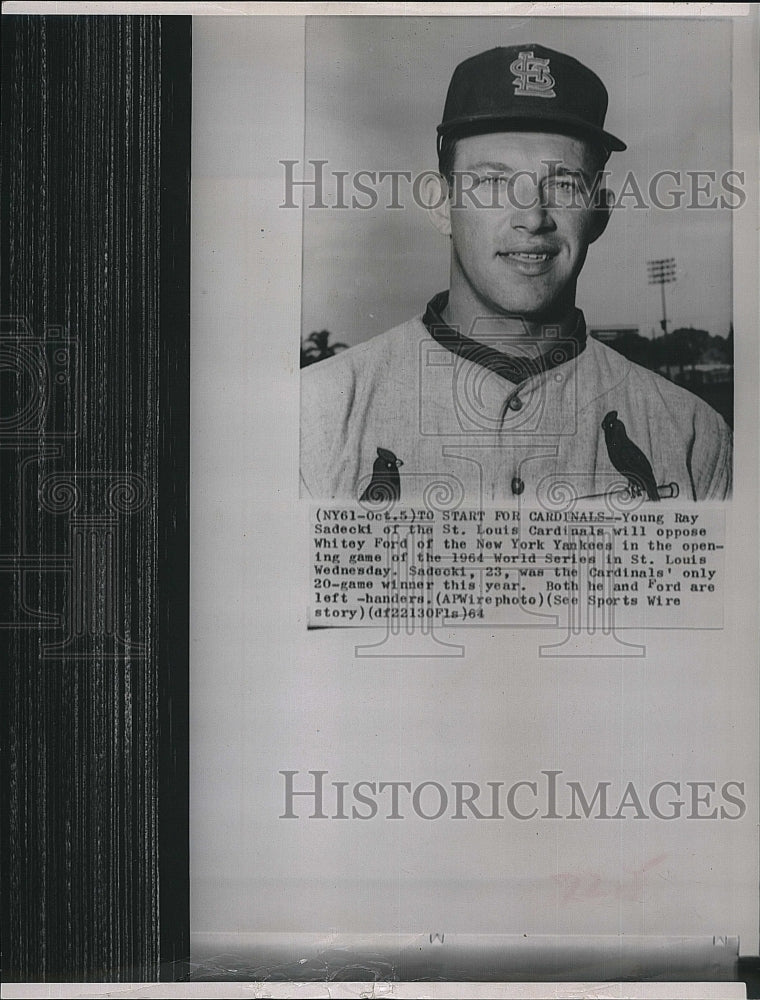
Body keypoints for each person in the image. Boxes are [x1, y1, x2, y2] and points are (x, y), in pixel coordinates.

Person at [300, 44, 732, 505]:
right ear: (441, 204)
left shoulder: (692, 436)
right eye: (492, 182)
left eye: (564, 184)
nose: (532, 217)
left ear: (599, 211)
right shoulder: (315, 416)